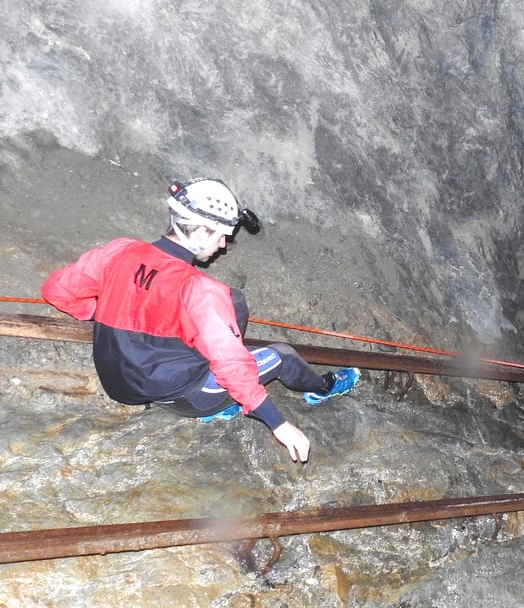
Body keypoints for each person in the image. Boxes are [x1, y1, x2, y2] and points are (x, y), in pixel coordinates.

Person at [41, 177, 360, 463]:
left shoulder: (119, 251)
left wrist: (100, 312)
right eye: (221, 235)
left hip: (119, 384)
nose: (224, 244)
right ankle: (322, 388)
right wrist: (279, 423)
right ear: (201, 230)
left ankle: (216, 387)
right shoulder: (200, 291)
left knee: (234, 300)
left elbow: (56, 290)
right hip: (181, 397)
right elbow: (234, 366)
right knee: (282, 356)